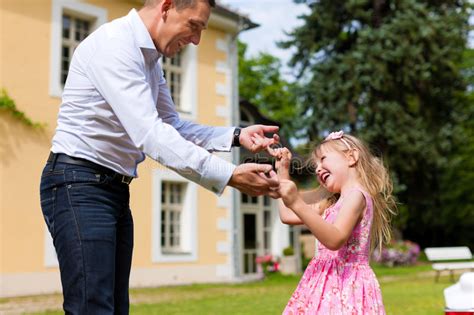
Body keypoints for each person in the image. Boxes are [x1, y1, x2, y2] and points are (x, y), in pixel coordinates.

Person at [39, 0, 280, 314]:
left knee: (113, 308)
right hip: (79, 184)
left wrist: (236, 135)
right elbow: (151, 135)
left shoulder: (150, 60)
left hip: (111, 189)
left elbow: (172, 126)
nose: (196, 40)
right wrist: (230, 175)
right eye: (194, 25)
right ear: (167, 6)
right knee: (92, 307)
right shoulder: (115, 45)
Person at [271, 130, 396, 314]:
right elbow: (287, 216)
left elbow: (335, 239)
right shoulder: (331, 204)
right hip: (323, 283)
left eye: (323, 159)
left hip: (347, 285)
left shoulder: (357, 196)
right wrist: (282, 171)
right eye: (315, 165)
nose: (317, 168)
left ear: (351, 157)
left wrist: (296, 202)